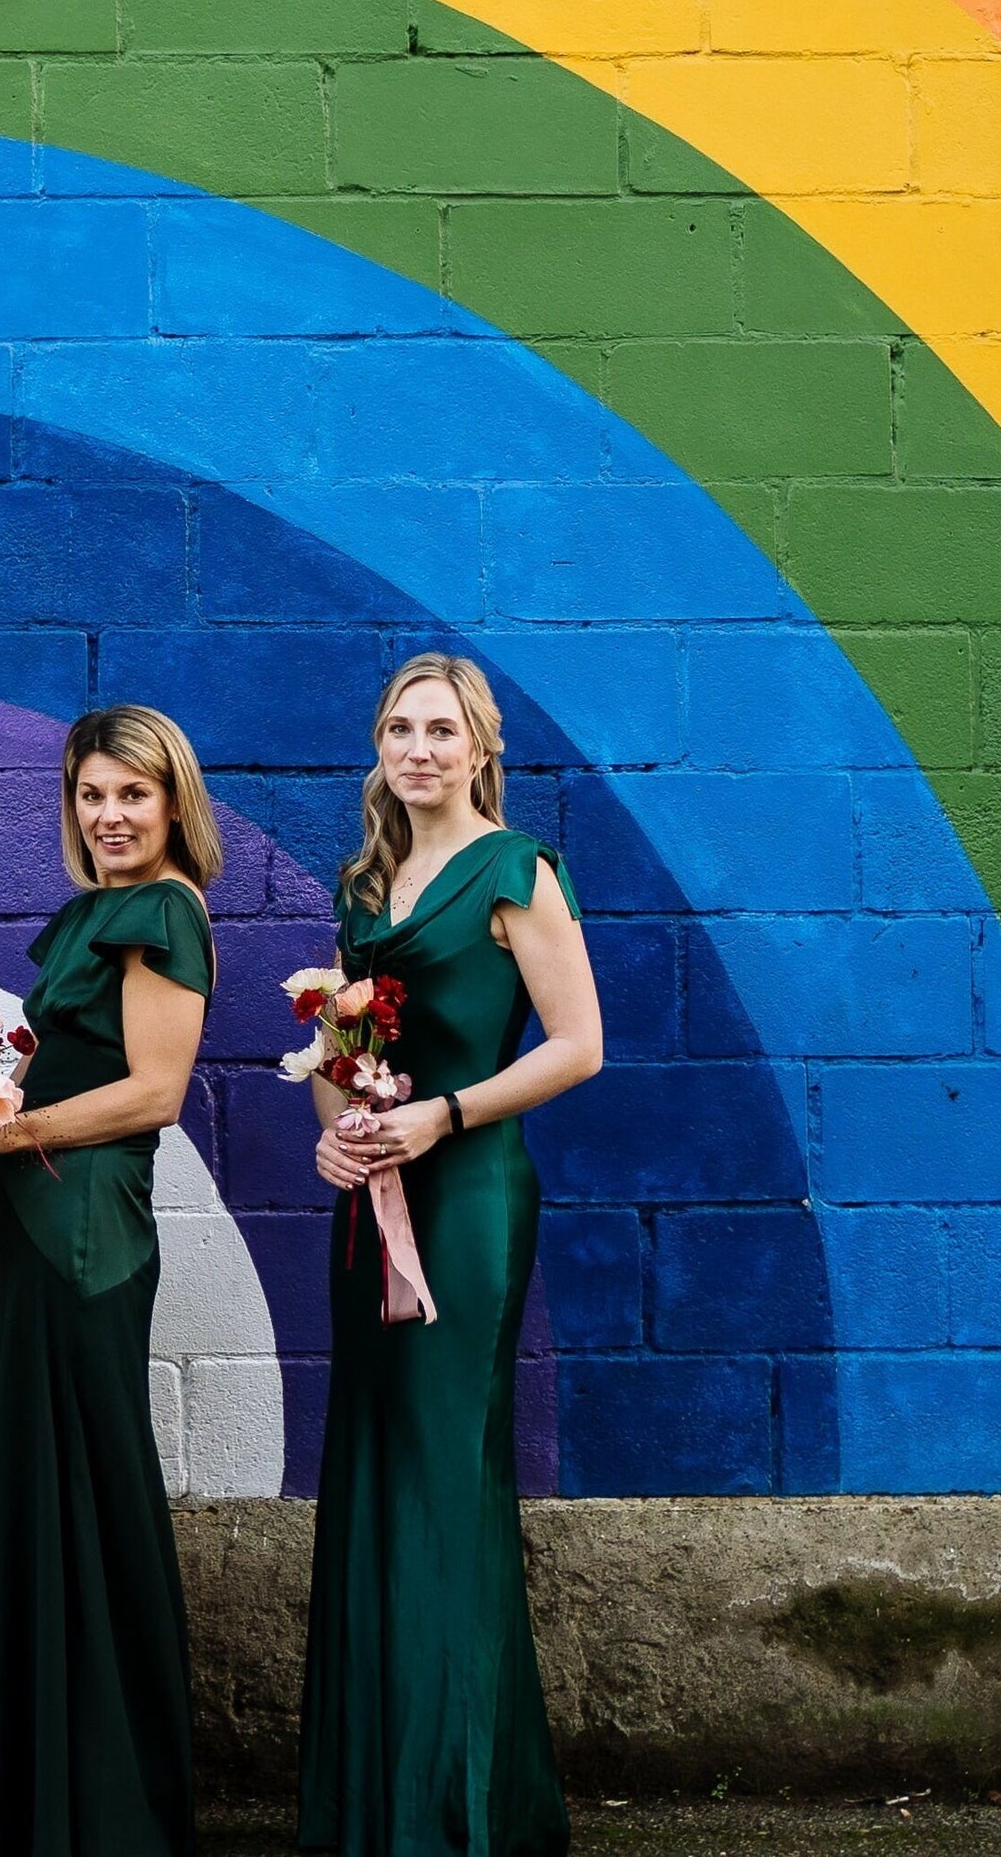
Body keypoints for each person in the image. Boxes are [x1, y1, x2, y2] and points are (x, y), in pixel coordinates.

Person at [297, 654, 603, 1857]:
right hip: (372, 1199)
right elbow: (340, 1055)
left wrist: (446, 1114)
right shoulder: (365, 885)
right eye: (399, 728)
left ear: (480, 746)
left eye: (440, 729)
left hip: (468, 1197)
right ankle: (378, 1803)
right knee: (374, 1467)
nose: (418, 748)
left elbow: (578, 1044)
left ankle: (461, 1814)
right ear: (378, 746)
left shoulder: (517, 870)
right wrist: (337, 1134)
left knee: (443, 1471)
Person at [0, 704, 221, 1857]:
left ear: (172, 801)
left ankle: (109, 1806)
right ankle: (40, 1795)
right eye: (91, 794)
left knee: (89, 1493)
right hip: (31, 1232)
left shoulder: (164, 909)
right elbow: (51, 1079)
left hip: (89, 1242)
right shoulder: (96, 909)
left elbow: (156, 1090)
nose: (110, 815)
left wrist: (7, 1134)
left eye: (132, 794)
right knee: (39, 1495)